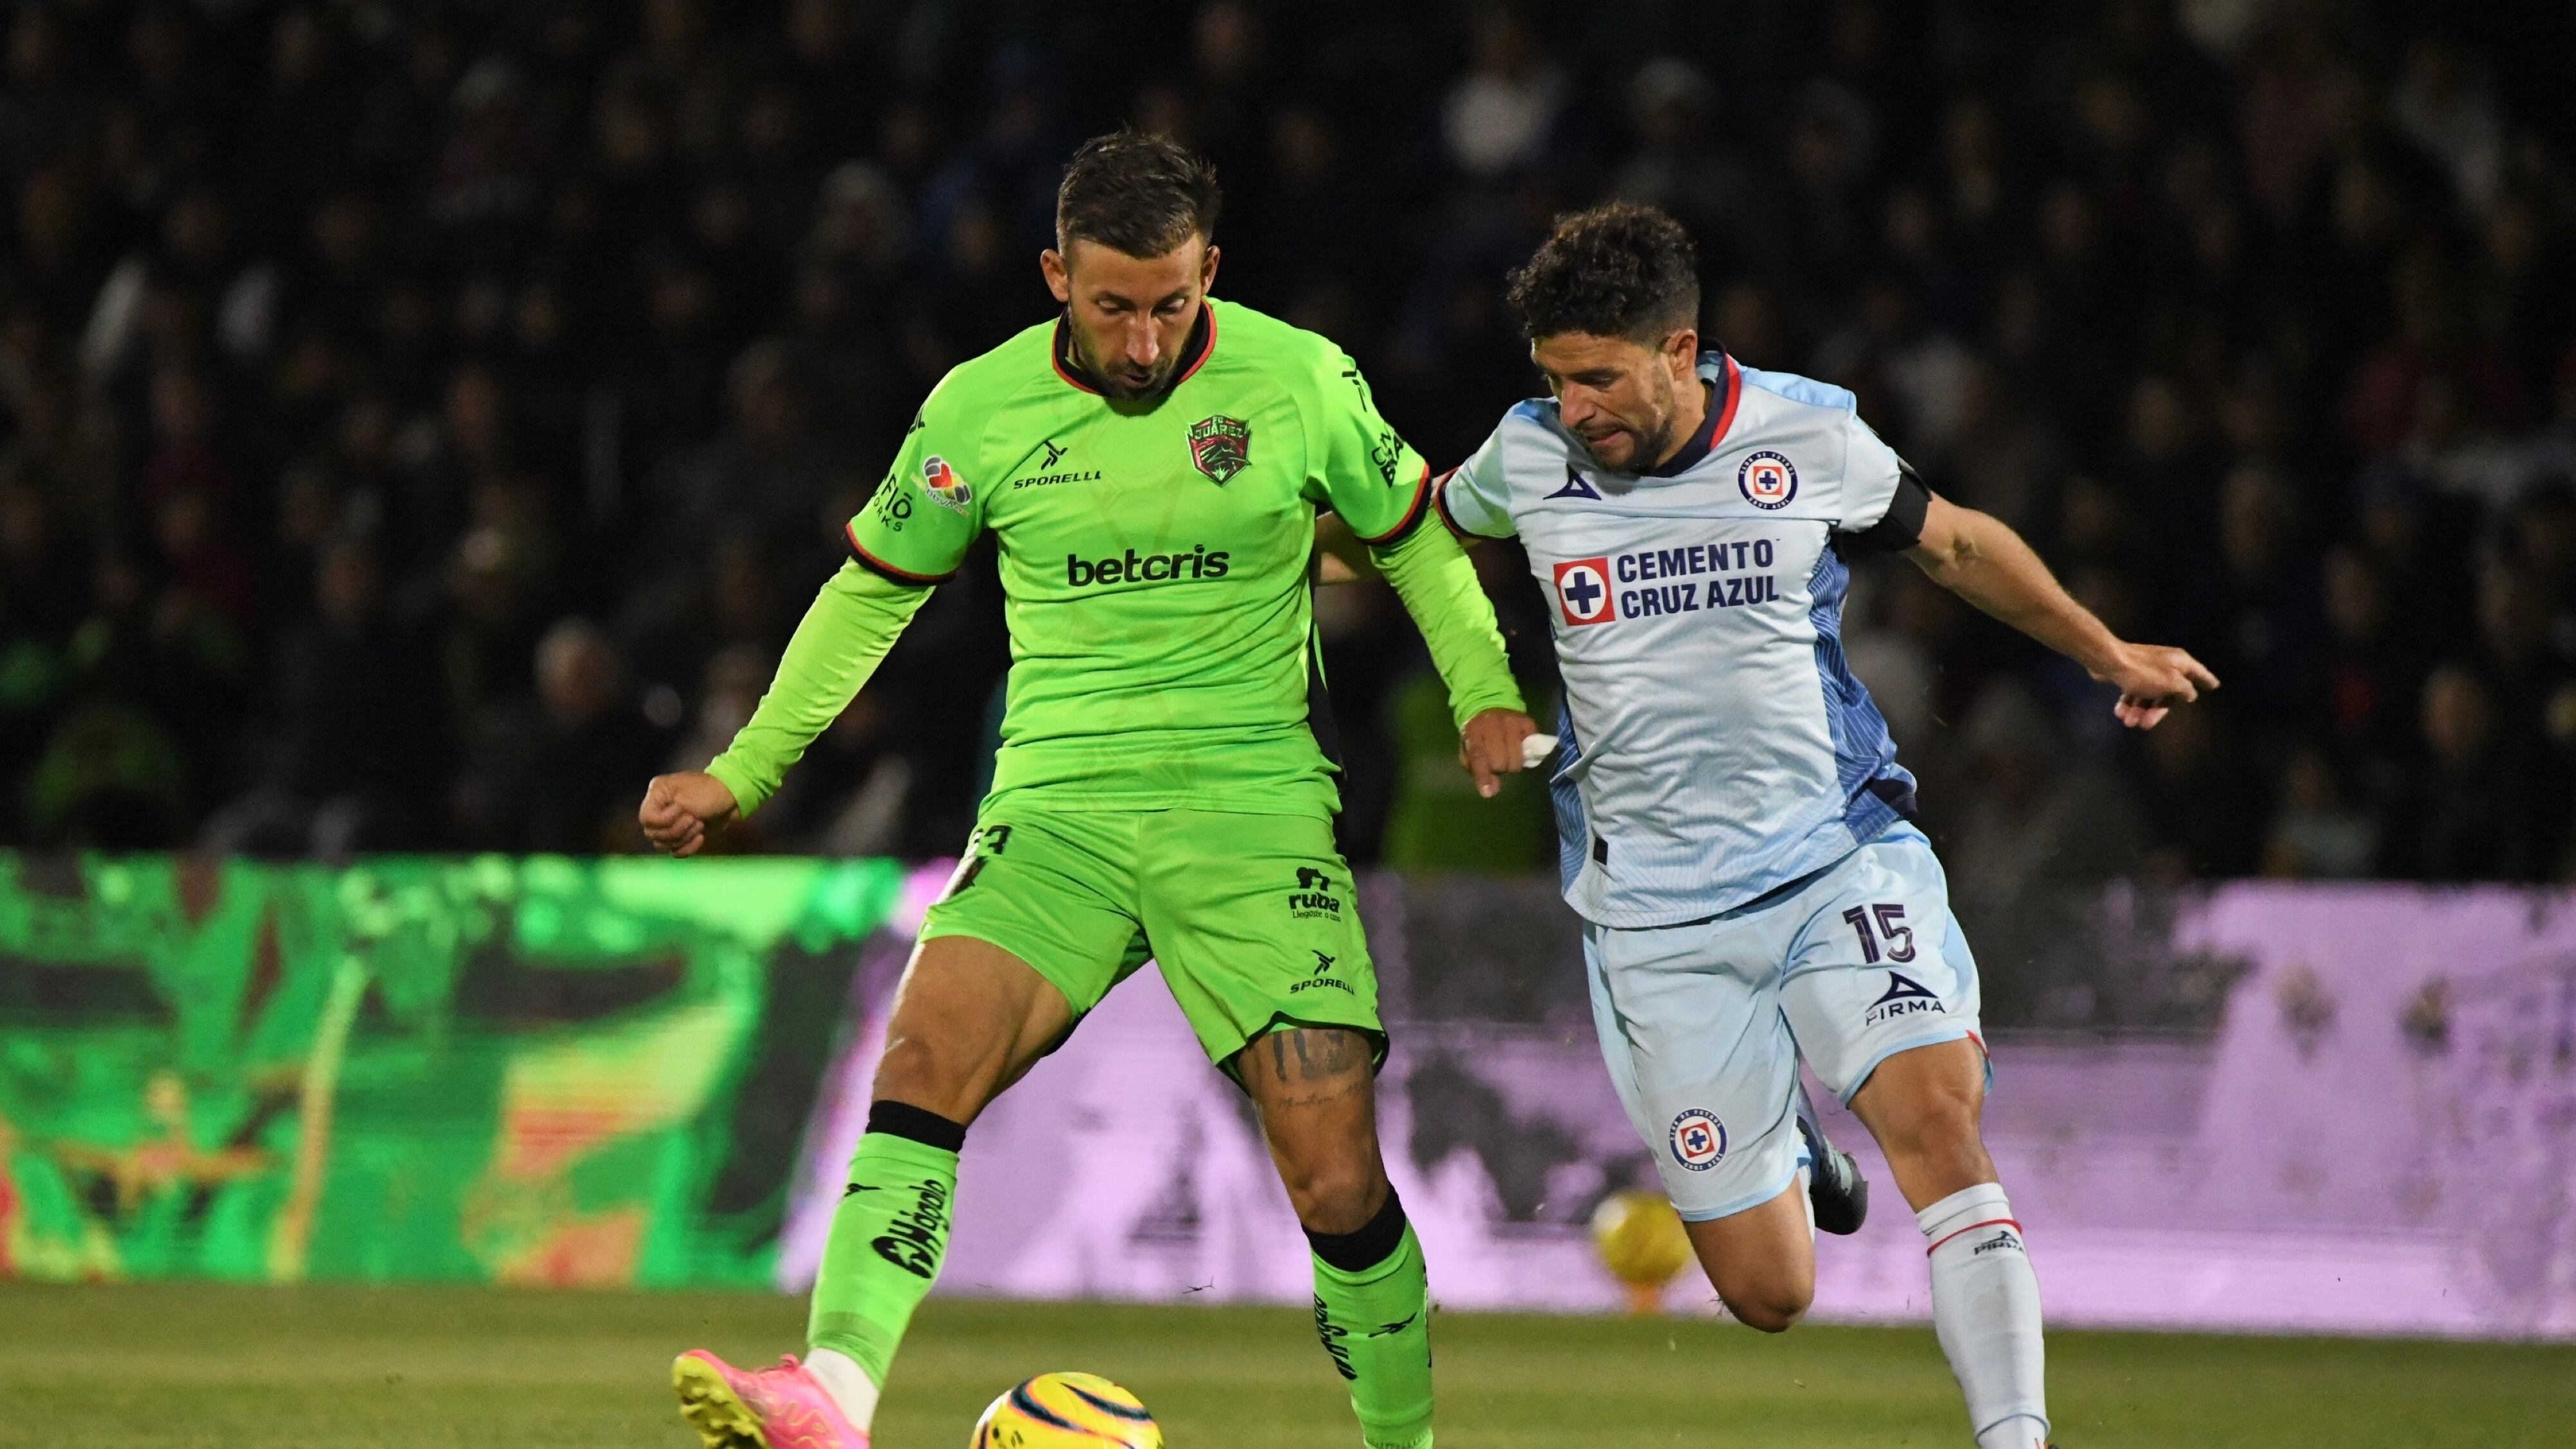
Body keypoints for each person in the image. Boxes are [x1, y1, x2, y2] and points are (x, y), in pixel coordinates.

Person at [638, 132, 1534, 1449]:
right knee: (926, 1054)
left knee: (1333, 1171)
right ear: (1055, 273)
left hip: (1251, 816)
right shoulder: (978, 409)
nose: (1140, 340)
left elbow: (1415, 549)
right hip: (1054, 812)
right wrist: (744, 771)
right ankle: (831, 1394)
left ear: (1208, 272)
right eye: (1110, 305)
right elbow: (868, 596)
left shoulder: (1297, 379)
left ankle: (1399, 1443)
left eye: (1170, 304)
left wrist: (1483, 692)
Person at [1426, 204, 2214, 1449]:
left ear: (1679, 350)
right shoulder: (1524, 457)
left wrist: (2105, 650)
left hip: (1831, 855)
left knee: (1937, 1117)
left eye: (1598, 378)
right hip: (1653, 910)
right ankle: (1792, 1136)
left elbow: (1954, 543)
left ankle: (2016, 1435)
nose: (1574, 409)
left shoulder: (1806, 430)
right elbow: (1403, 534)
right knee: (1771, 1291)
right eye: (1555, 382)